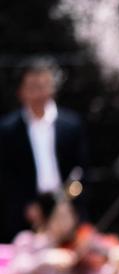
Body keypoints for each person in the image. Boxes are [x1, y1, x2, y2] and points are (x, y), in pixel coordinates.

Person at [0, 57, 89, 243]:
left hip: (66, 207)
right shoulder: (8, 129)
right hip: (25, 214)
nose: (40, 93)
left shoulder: (71, 124)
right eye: (33, 87)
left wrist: (68, 202)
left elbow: (81, 170)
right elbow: (7, 174)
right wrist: (26, 205)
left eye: (45, 86)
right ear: (21, 91)